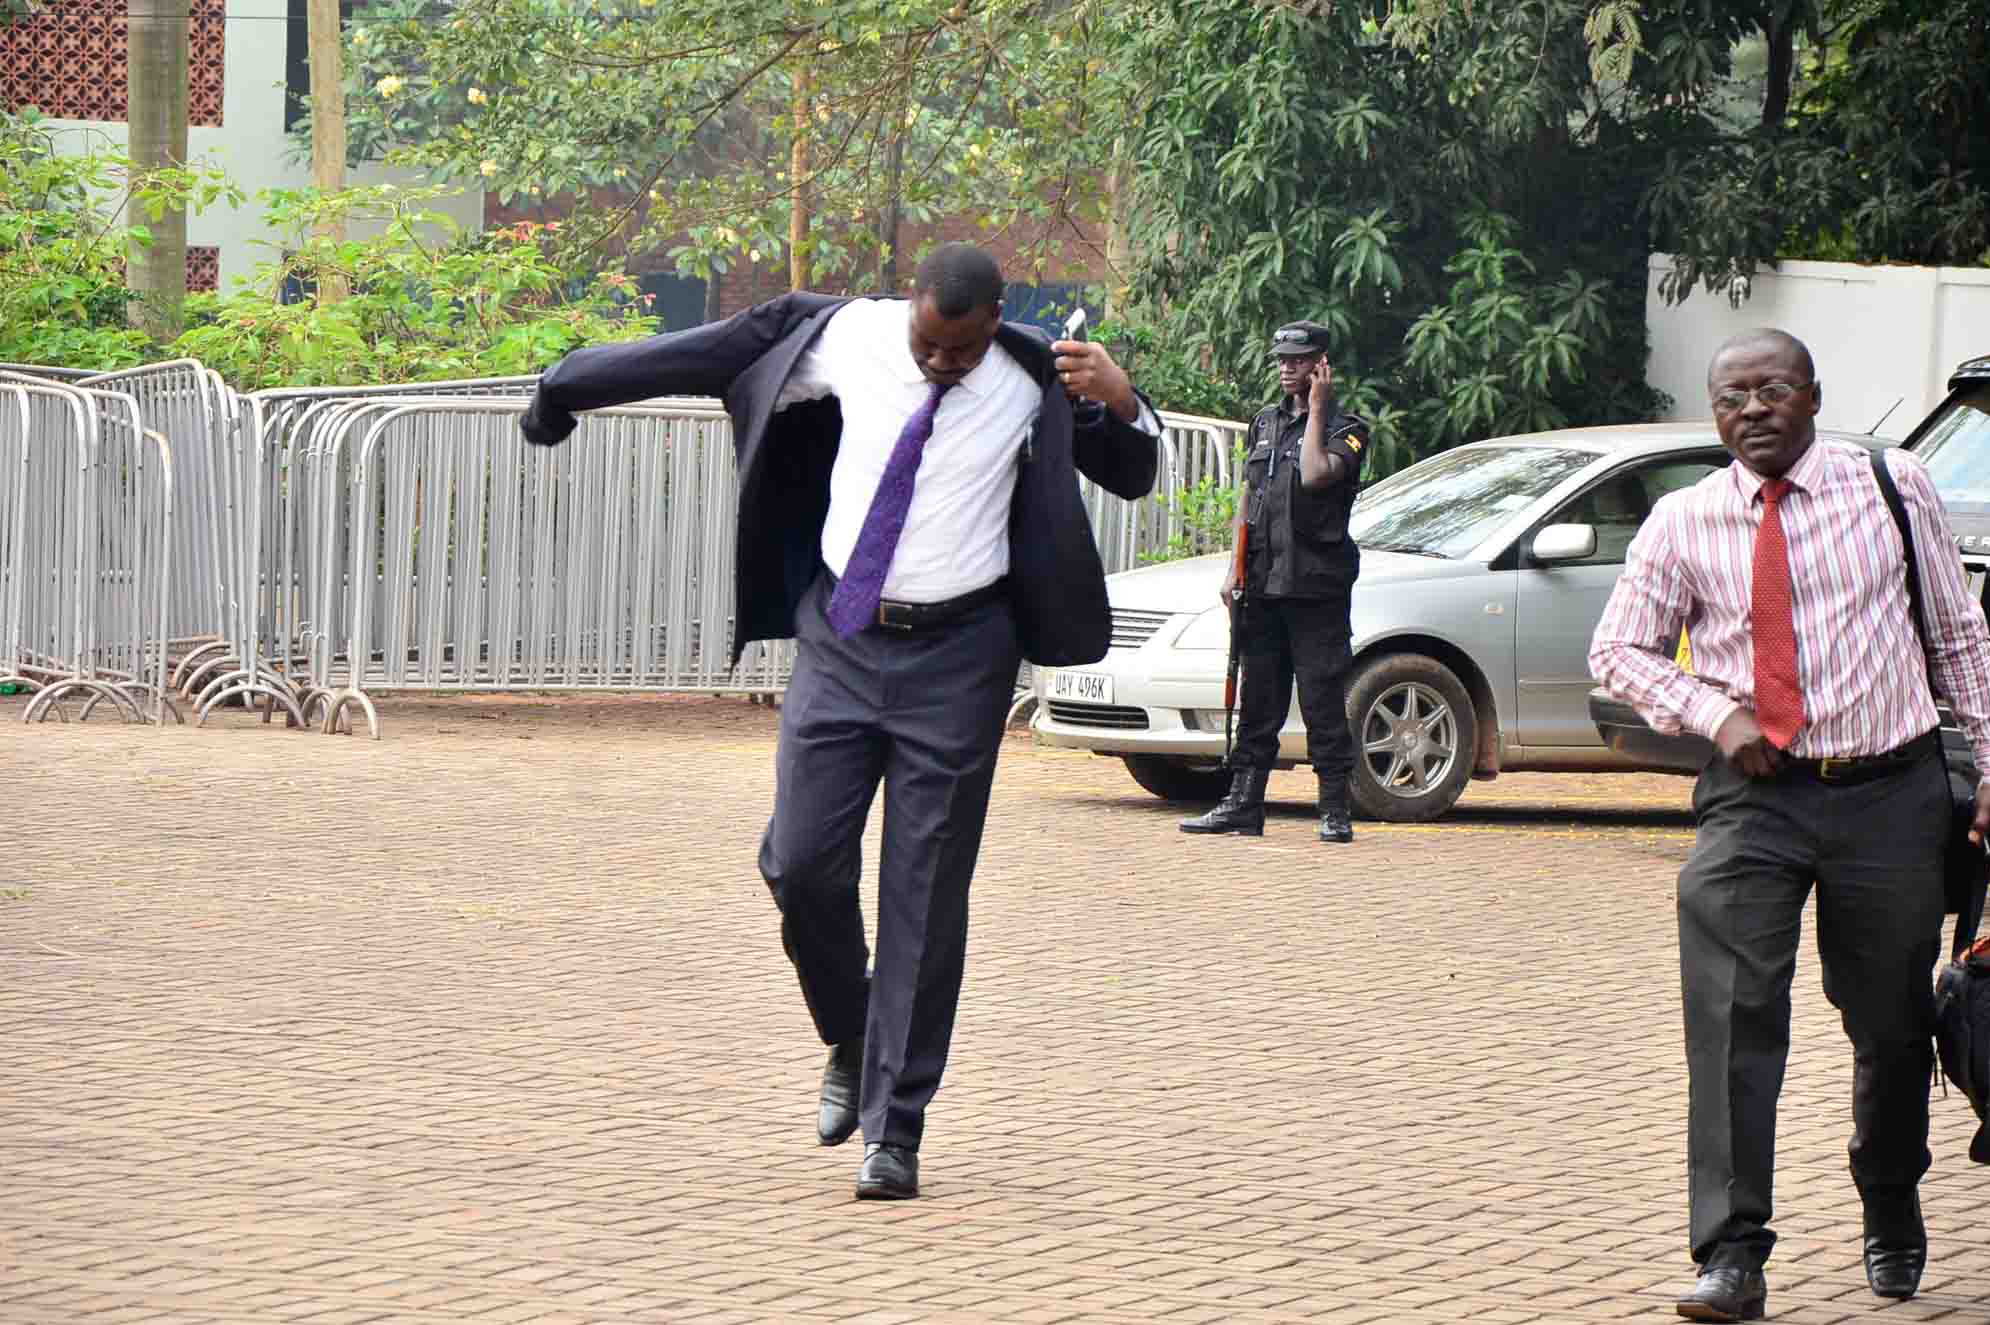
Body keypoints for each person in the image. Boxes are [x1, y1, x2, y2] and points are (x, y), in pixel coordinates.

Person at [518, 244, 1160, 1201]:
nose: (942, 362)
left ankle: (894, 1128)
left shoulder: (1032, 372)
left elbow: (1134, 471)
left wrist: (1121, 397)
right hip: (845, 637)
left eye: (962, 350)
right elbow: (705, 352)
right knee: (800, 862)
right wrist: (564, 387)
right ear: (910, 308)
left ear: (994, 324)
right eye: (929, 344)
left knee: (925, 895)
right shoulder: (847, 336)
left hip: (961, 658)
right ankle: (854, 1034)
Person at [1589, 328, 1990, 1322]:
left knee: (1891, 1024)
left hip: (1889, 790)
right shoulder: (1682, 518)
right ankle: (1731, 1252)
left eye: (1771, 389)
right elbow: (1619, 652)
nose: (1752, 410)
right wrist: (1713, 713)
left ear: (1811, 395)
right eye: (1732, 397)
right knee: (1731, 1016)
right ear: (1714, 412)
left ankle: (1889, 1190)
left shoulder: (1890, 485)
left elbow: (1957, 634)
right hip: (1754, 795)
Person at [1181, 320, 1370, 843]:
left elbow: (1314, 474)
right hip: (1263, 582)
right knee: (1258, 698)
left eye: (1299, 360)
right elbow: (1249, 496)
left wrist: (1317, 411)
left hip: (1316, 587)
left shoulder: (1347, 429)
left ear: (1321, 365)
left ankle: (1334, 808)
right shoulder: (1264, 423)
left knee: (1321, 699)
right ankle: (1244, 805)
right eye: (1282, 359)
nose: (1287, 367)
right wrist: (1233, 567)